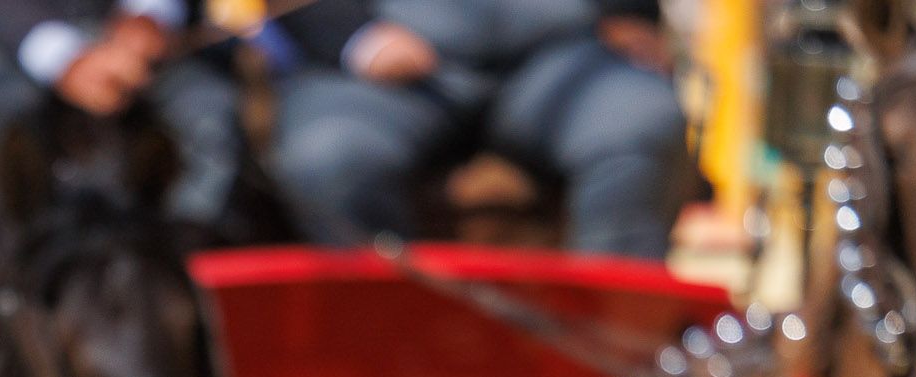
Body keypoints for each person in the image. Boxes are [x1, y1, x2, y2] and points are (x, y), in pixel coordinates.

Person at [262, 0, 689, 258]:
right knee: (329, 156)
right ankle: (380, 360)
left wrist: (631, 13)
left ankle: (606, 371)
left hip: (555, 56)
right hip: (376, 68)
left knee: (642, 125)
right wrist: (354, 36)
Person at [0, 0, 240, 234]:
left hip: (143, 41)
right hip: (15, 38)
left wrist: (150, 14)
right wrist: (62, 56)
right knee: (3, 109)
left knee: (205, 107)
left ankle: (186, 257)